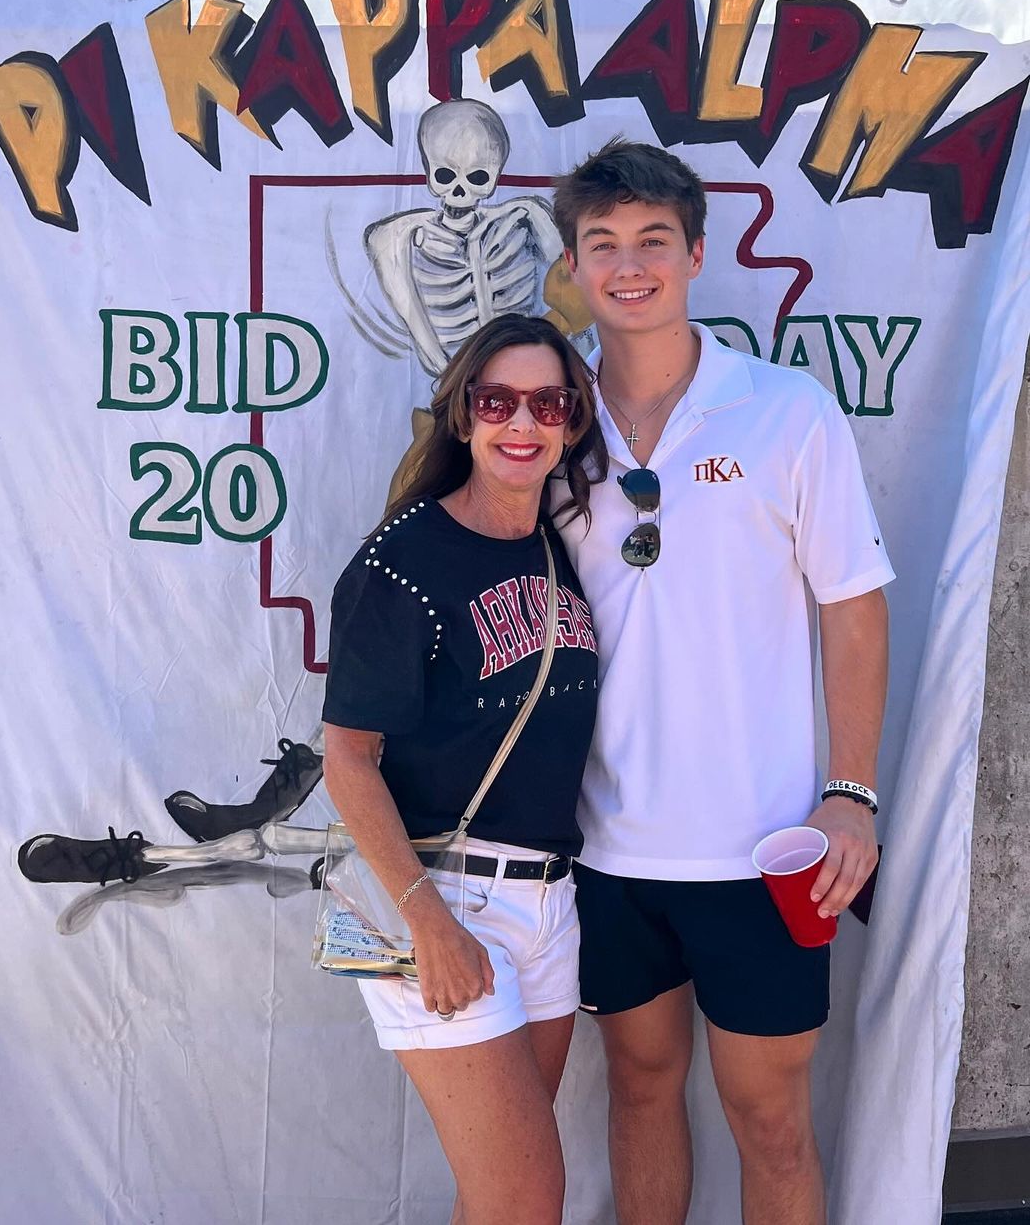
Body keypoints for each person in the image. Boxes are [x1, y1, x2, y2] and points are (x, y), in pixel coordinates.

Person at [552, 141, 893, 1225]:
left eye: (654, 240)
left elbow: (854, 606)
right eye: (603, 244)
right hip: (603, 844)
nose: (630, 266)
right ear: (573, 266)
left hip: (766, 846)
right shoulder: (544, 418)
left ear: (697, 254)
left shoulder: (788, 410)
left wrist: (851, 793)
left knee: (771, 1118)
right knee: (639, 1090)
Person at [321, 312, 608, 1225]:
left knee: (500, 1197)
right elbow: (348, 759)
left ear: (572, 421)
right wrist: (428, 923)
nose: (522, 423)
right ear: (463, 414)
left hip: (547, 902)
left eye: (547, 404)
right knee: (526, 1198)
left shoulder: (562, 547)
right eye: (497, 402)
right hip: (444, 896)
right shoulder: (403, 561)